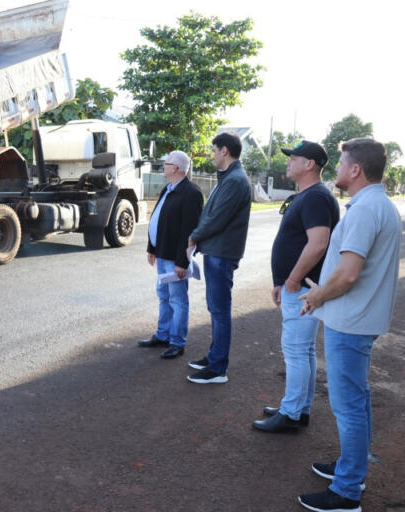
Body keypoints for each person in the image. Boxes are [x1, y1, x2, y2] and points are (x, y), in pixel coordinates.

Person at [297, 138, 401, 512]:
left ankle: (347, 491)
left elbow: (349, 274)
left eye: (341, 164)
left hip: (350, 322)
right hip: (357, 319)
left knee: (349, 406)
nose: (337, 171)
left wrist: (317, 296)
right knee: (357, 399)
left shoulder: (365, 209)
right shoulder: (377, 205)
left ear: (355, 170)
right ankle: (350, 468)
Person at [252, 141, 339, 433]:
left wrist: (291, 279)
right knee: (303, 351)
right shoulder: (309, 195)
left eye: (294, 158)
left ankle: (291, 413)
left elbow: (318, 244)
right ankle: (299, 409)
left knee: (297, 351)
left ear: (310, 164)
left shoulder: (315, 198)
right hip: (298, 286)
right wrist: (282, 281)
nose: (288, 162)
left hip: (302, 288)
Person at [186, 132, 251, 384]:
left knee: (220, 310)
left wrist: (193, 237)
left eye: (214, 150)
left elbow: (217, 219)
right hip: (217, 251)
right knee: (216, 308)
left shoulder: (234, 180)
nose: (212, 154)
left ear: (225, 151)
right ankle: (214, 356)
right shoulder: (229, 177)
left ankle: (217, 368)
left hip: (221, 253)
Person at [138, 150, 203, 359]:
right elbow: (159, 219)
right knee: (164, 296)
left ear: (176, 168)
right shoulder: (169, 188)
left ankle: (177, 342)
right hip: (162, 253)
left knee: (178, 300)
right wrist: (152, 248)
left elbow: (189, 231)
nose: (163, 166)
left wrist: (182, 262)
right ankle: (163, 334)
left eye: (166, 163)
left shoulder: (191, 193)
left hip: (175, 258)